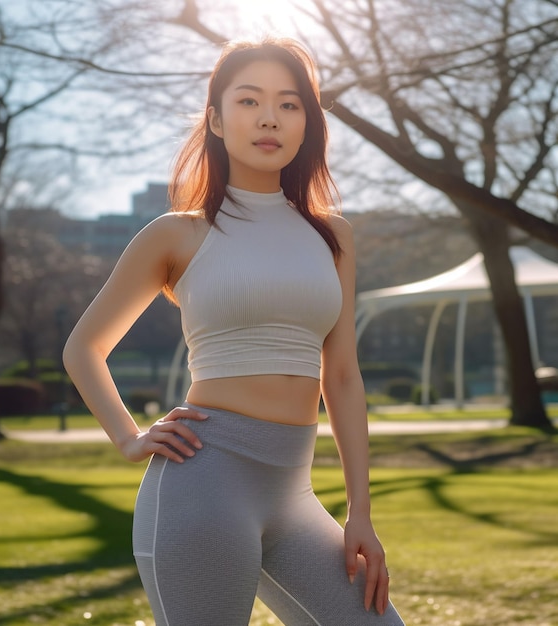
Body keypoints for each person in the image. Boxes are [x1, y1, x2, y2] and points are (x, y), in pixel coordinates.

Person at [63, 37, 405, 626]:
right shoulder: (176, 234)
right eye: (249, 101)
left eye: (289, 104)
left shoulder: (333, 237)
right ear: (217, 120)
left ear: (307, 125)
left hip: (294, 494)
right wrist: (128, 438)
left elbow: (342, 375)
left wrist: (361, 514)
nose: (270, 117)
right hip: (204, 483)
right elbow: (84, 348)